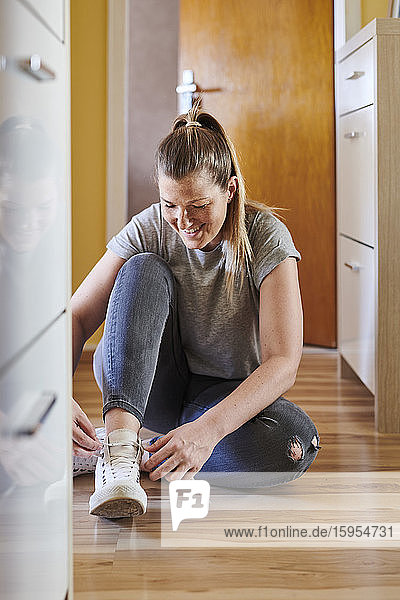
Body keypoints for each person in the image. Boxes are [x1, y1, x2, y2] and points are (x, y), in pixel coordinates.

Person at [71, 103, 320, 519]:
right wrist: (57, 396)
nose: (182, 221)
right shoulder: (150, 227)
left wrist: (207, 432)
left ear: (231, 189)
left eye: (198, 205)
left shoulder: (267, 237)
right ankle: (119, 452)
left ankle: (123, 449)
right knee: (141, 267)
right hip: (151, 386)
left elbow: (283, 363)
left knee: (291, 445)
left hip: (221, 396)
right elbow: (76, 317)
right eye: (170, 204)